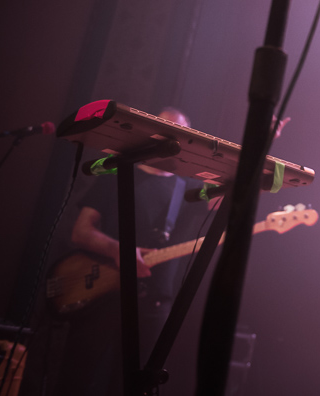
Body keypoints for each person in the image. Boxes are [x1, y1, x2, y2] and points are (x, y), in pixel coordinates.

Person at [55, 108, 210, 396]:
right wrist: (119, 250)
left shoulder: (190, 189)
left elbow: (235, 197)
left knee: (134, 386)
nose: (168, 138)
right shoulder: (117, 171)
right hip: (103, 292)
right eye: (162, 130)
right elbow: (80, 231)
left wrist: (261, 143)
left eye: (176, 133)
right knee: (75, 379)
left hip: (153, 301)